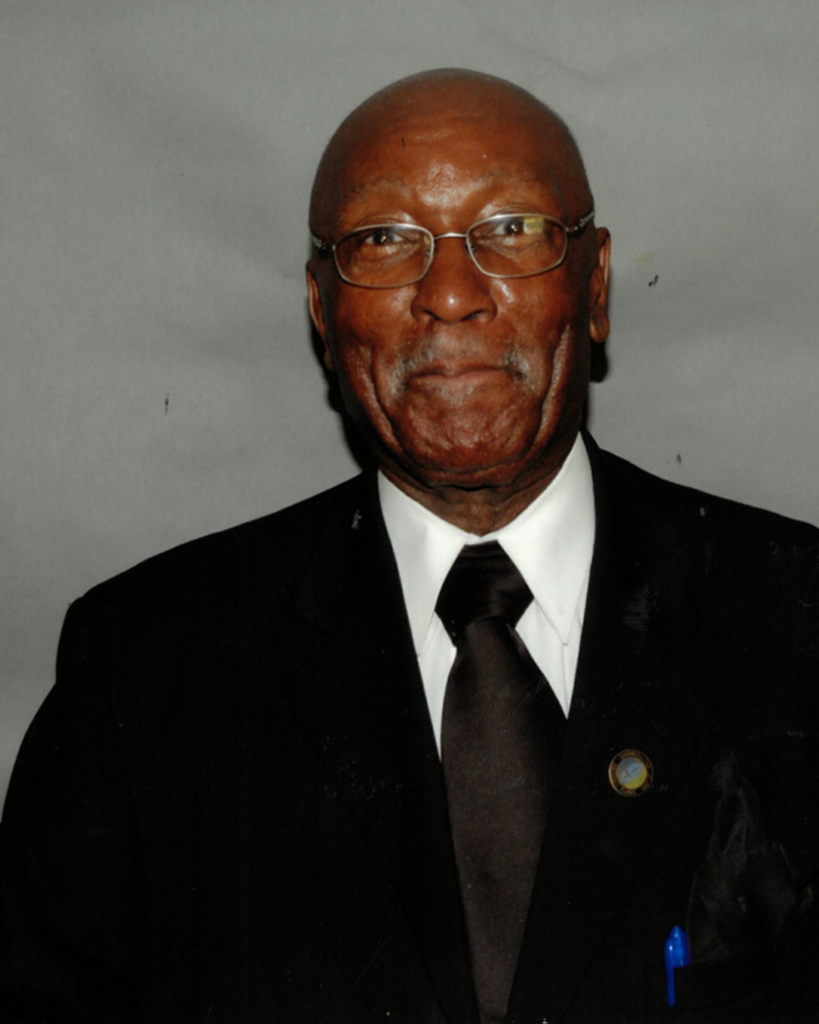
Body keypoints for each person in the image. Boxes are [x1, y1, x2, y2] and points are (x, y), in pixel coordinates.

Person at [0, 68, 817, 1024]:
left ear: (593, 286)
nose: (451, 295)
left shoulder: (794, 622)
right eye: (384, 239)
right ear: (322, 311)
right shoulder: (145, 669)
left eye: (511, 227)